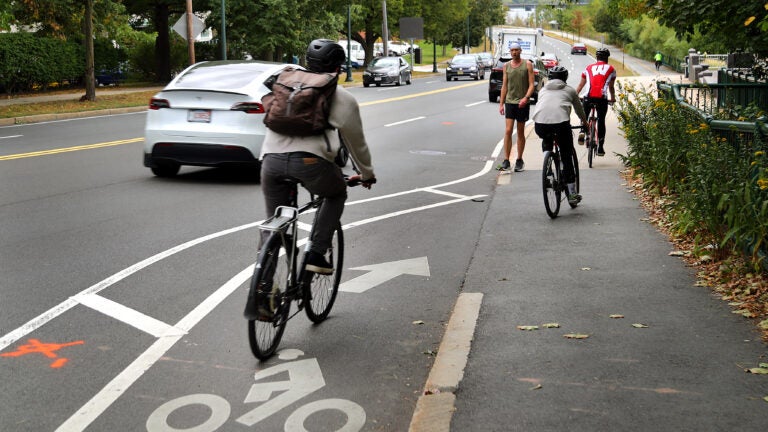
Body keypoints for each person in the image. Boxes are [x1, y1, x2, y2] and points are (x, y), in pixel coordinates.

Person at [260, 39, 376, 276]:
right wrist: (367, 174)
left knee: (275, 223)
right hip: (310, 163)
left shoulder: (286, 82)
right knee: (335, 193)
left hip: (270, 161)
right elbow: (356, 143)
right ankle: (316, 252)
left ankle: (263, 289)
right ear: (338, 68)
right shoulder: (341, 96)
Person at [532, 66, 588, 205]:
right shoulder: (570, 90)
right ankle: (572, 194)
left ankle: (548, 161)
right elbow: (579, 109)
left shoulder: (543, 90)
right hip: (561, 123)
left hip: (540, 124)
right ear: (565, 78)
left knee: (547, 138)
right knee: (566, 154)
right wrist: (585, 123)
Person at [498, 42, 535, 172]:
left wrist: (526, 98)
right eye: (512, 50)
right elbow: (504, 86)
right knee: (508, 130)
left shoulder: (528, 64)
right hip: (510, 102)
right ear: (510, 52)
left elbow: (532, 85)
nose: (514, 52)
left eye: (516, 50)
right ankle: (506, 160)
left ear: (520, 51)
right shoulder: (506, 66)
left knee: (520, 132)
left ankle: (519, 159)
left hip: (522, 103)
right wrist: (501, 104)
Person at [576, 47, 616, 156]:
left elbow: (580, 85)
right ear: (607, 58)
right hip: (602, 98)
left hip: (588, 97)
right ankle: (601, 148)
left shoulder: (588, 67)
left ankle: (582, 131)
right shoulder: (611, 69)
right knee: (601, 120)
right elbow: (611, 87)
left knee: (584, 116)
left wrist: (576, 96)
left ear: (596, 57)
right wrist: (612, 98)